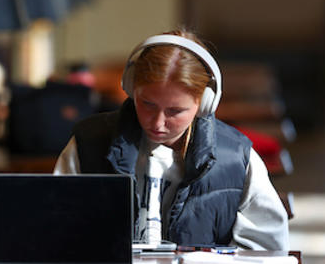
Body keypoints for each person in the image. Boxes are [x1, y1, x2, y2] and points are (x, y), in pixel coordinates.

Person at [54, 29, 289, 251]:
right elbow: (55, 227)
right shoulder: (89, 143)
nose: (157, 123)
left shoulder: (237, 159)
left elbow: (266, 251)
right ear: (130, 87)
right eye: (147, 104)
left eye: (175, 111)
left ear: (204, 103)